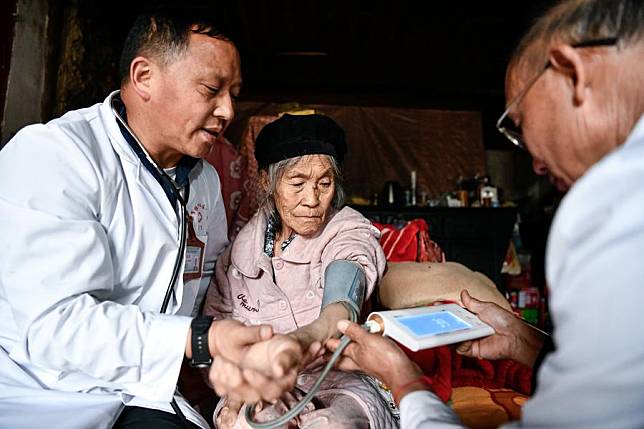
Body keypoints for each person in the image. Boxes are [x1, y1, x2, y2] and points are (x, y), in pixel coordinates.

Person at [328, 0, 644, 427]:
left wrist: (404, 380)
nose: (533, 162)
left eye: (520, 123)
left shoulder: (611, 208)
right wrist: (524, 341)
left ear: (572, 73)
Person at [0, 8, 301, 429]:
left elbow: (210, 284)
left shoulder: (203, 182)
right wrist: (199, 338)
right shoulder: (56, 156)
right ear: (144, 77)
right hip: (46, 394)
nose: (228, 111)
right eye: (211, 89)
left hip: (144, 390)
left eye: (232, 92)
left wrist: (250, 347)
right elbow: (56, 325)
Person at [203, 113, 398, 428]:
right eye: (297, 183)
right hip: (262, 381)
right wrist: (248, 377)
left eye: (325, 183)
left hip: (340, 383)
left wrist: (298, 342)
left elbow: (342, 304)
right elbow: (216, 335)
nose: (312, 200)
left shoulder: (346, 230)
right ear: (267, 181)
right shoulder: (239, 253)